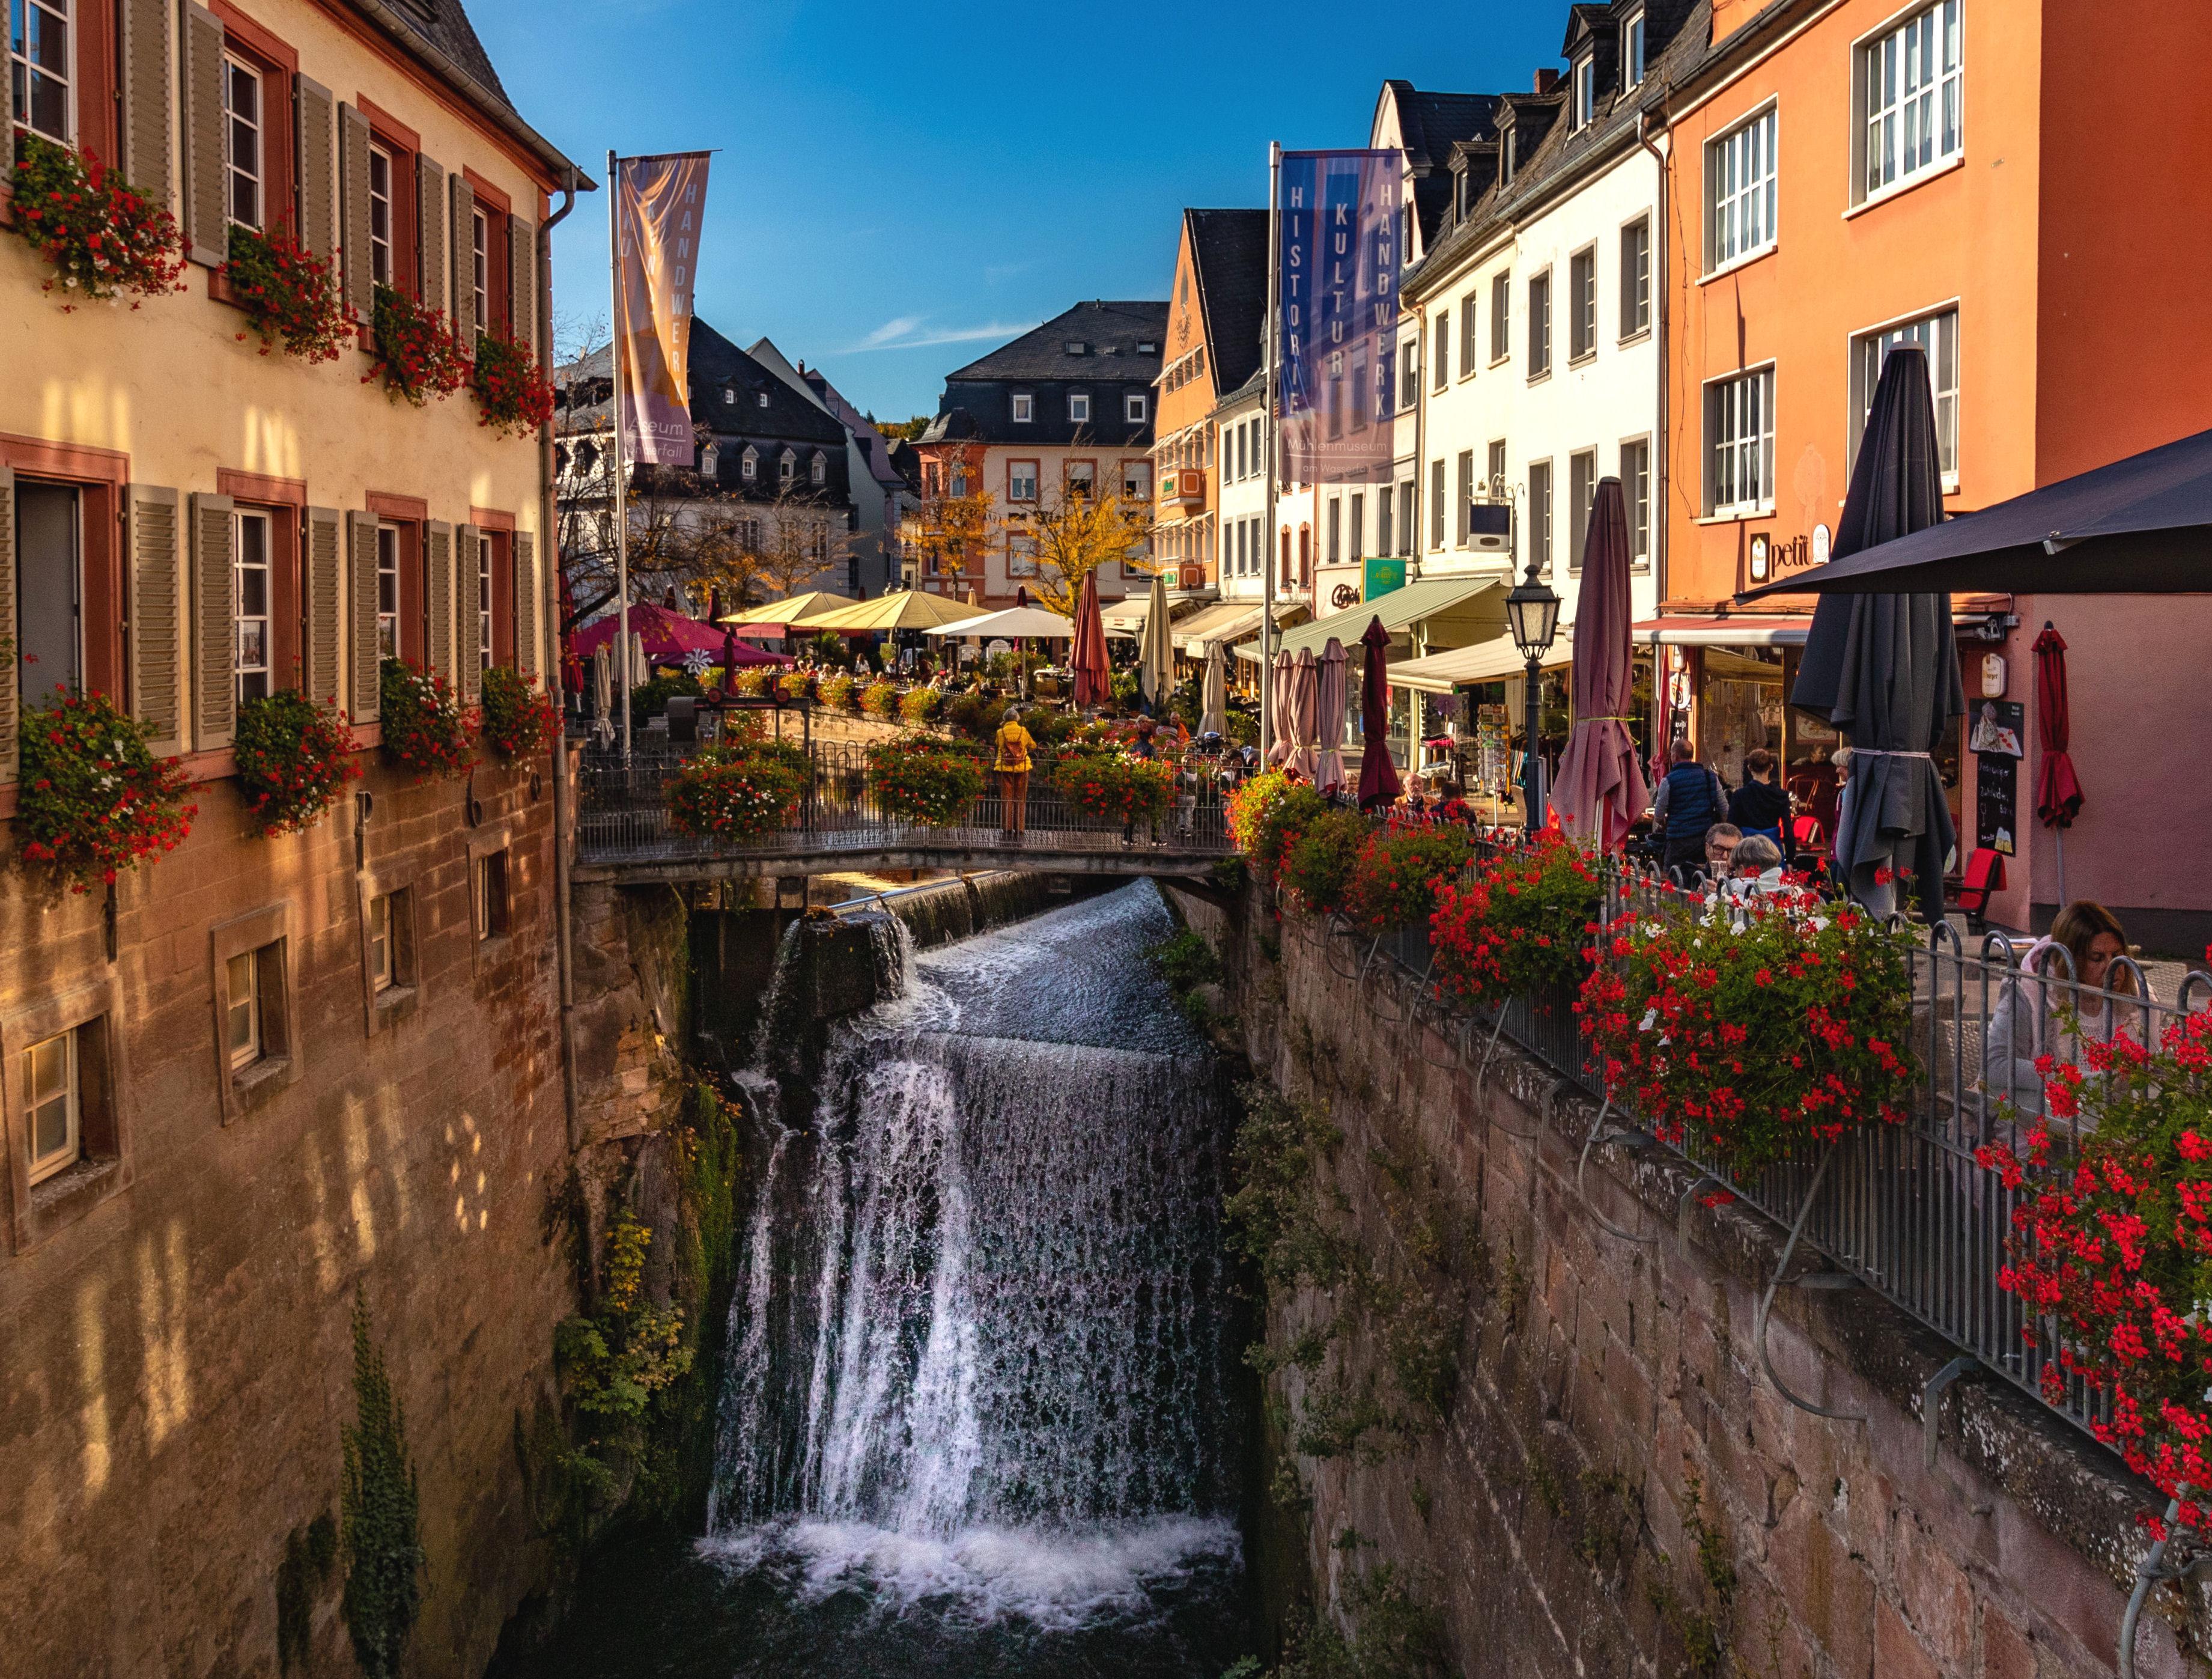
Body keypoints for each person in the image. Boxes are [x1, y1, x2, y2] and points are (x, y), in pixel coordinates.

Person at [1984, 901, 2138, 1119]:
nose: (2112, 967)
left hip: (2116, 1122)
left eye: (2117, 955)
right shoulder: (2029, 993)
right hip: (2036, 1124)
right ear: (2070, 961)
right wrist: (2078, 1080)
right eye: (2097, 958)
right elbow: (1994, 1066)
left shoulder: (2139, 999)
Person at [1653, 739, 1730, 882]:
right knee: (1702, 879)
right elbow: (1725, 809)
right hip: (1704, 841)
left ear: (1675, 756)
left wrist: (1664, 823)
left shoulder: (1668, 781)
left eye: (1671, 754)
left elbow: (1658, 815)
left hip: (1678, 842)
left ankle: (1675, 904)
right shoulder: (1710, 777)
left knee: (1674, 879)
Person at [1728, 748, 1791, 859]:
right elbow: (1788, 829)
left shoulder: (1740, 795)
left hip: (1747, 850)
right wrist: (1790, 858)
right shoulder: (1781, 796)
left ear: (1749, 768)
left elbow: (1732, 827)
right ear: (1771, 767)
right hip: (1772, 849)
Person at [993, 707, 1037, 838]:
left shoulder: (1000, 732)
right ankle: (1020, 828)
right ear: (1017, 718)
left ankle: (1007, 828)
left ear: (1005, 718)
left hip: (1005, 767)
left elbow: (999, 745)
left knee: (1007, 798)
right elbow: (1033, 745)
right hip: (1022, 767)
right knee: (1020, 798)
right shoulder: (1023, 731)